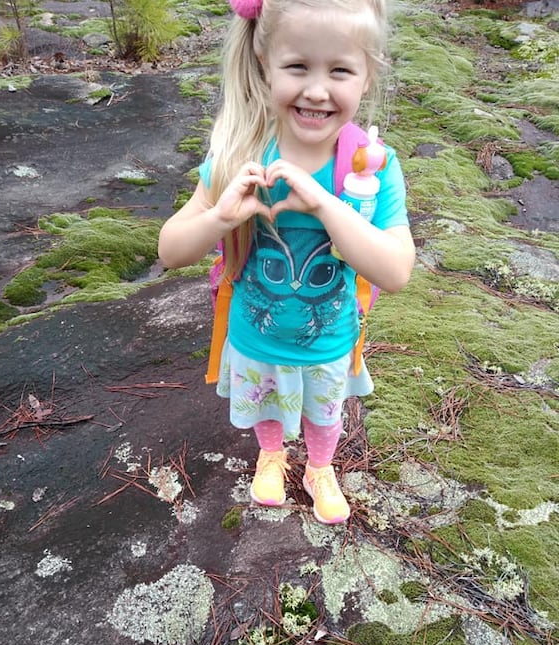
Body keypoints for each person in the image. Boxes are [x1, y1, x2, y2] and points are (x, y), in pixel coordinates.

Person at [158, 0, 415, 524]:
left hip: (329, 340)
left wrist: (326, 205)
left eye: (340, 70)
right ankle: (271, 456)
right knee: (267, 406)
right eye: (298, 67)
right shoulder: (237, 157)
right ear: (263, 63)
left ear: (368, 76)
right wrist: (220, 218)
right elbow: (171, 250)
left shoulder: (372, 169)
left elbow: (395, 271)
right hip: (256, 339)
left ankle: (321, 468)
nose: (317, 89)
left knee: (325, 415)